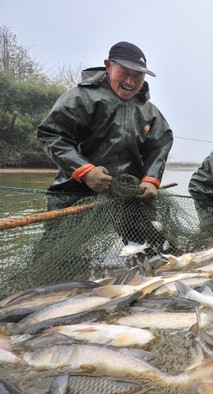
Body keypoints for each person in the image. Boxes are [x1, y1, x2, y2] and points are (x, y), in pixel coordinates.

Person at [37, 41, 173, 249]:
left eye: (138, 76)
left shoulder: (149, 111)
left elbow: (160, 143)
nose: (130, 81)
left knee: (149, 247)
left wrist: (151, 179)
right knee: (61, 249)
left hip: (129, 191)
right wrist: (85, 171)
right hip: (77, 189)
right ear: (108, 66)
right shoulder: (81, 97)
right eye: (124, 72)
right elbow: (52, 133)